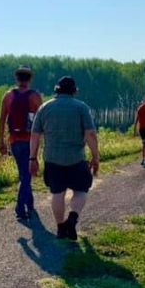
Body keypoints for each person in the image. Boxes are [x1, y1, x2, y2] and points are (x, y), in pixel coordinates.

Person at [29, 76, 99, 241]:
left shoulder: (44, 108)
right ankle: (72, 219)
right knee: (81, 190)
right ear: (74, 91)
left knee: (57, 194)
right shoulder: (81, 108)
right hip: (76, 158)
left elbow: (35, 135)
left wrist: (33, 158)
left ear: (57, 90)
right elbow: (90, 134)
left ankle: (61, 228)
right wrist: (95, 156)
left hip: (53, 159)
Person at [0, 65, 43, 220]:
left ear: (16, 79)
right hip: (30, 141)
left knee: (24, 174)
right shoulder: (35, 97)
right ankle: (19, 207)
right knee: (26, 176)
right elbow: (41, 121)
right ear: (30, 79)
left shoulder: (8, 96)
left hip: (14, 141)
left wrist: (1, 142)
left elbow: (2, 120)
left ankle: (30, 204)